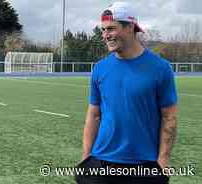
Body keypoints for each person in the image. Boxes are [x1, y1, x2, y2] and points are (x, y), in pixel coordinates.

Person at [76, 2, 178, 184]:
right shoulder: (100, 69)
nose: (105, 35)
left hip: (144, 166)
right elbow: (94, 114)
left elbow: (169, 117)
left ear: (130, 27)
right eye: (103, 30)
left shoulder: (160, 68)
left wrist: (163, 160)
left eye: (111, 29)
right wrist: (86, 156)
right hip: (101, 163)